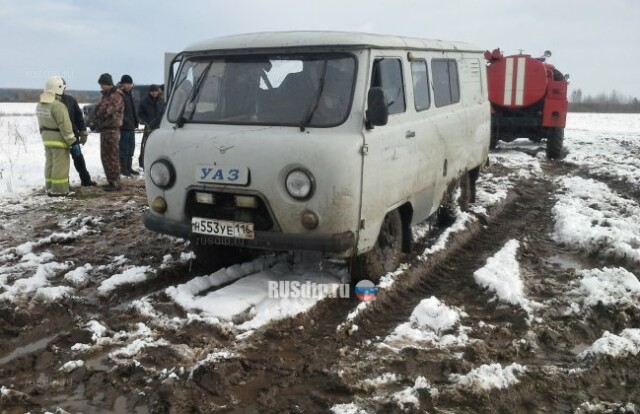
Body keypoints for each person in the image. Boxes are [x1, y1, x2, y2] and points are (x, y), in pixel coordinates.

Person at [35, 75, 77, 197]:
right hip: (59, 140)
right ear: (58, 88)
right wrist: (72, 141)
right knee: (60, 165)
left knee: (50, 163)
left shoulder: (40, 105)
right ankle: (59, 190)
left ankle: (49, 187)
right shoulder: (58, 106)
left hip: (47, 140)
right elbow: (65, 125)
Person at [59, 78, 97, 186]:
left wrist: (83, 132)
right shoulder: (51, 103)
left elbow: (79, 118)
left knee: (79, 159)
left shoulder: (71, 100)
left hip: (73, 137)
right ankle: (62, 184)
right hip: (59, 138)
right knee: (61, 162)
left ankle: (86, 180)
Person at [95, 73, 124, 191]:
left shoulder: (115, 96)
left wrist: (98, 112)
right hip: (105, 129)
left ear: (107, 84)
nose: (101, 87)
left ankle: (115, 182)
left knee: (112, 156)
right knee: (105, 156)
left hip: (112, 130)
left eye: (102, 85)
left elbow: (105, 111)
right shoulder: (107, 96)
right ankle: (111, 180)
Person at [137, 84, 164, 169]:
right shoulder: (144, 102)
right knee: (146, 145)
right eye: (152, 91)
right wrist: (146, 122)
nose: (154, 93)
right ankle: (143, 162)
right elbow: (140, 113)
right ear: (149, 92)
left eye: (156, 91)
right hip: (149, 126)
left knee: (160, 146)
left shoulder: (162, 101)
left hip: (160, 128)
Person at [118, 74, 139, 176]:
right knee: (124, 148)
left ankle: (129, 167)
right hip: (124, 127)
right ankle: (123, 168)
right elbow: (119, 111)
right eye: (127, 83)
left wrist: (136, 121)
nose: (129, 85)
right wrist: (124, 121)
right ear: (123, 84)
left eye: (130, 84)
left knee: (131, 147)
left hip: (131, 126)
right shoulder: (120, 95)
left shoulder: (130, 94)